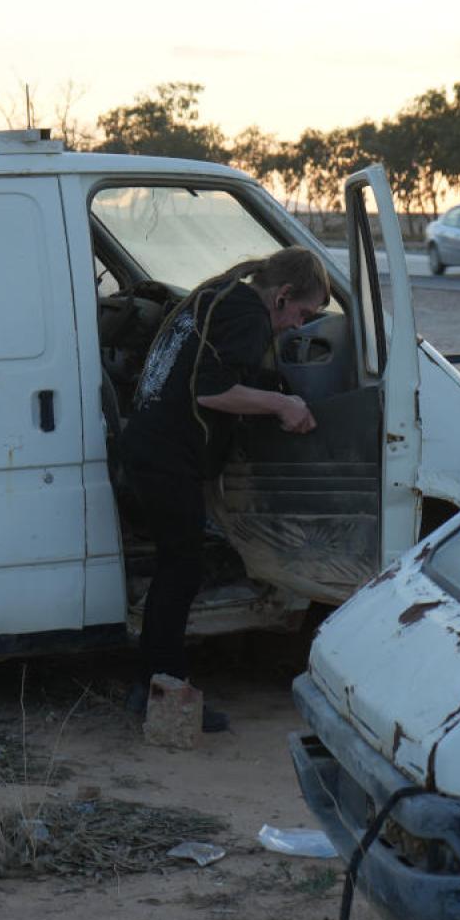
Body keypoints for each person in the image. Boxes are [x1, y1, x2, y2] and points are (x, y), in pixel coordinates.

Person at [118, 246, 329, 732]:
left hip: (150, 447)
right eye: (301, 314)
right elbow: (211, 391)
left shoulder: (222, 293)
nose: (297, 326)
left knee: (177, 567)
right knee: (180, 570)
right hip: (166, 457)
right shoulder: (247, 314)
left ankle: (152, 684)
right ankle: (161, 687)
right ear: (282, 295)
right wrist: (282, 404)